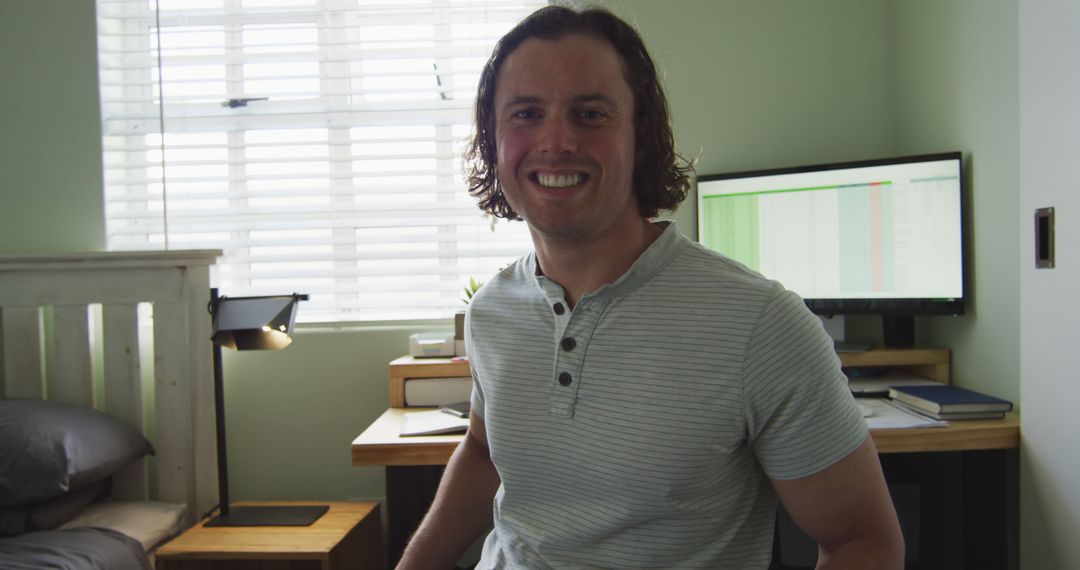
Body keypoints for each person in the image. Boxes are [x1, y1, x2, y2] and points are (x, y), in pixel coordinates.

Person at [397, 6, 905, 569]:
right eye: (525, 113)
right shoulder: (493, 311)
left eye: (590, 113)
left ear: (640, 135)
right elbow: (487, 450)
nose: (556, 140)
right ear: (494, 141)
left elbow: (863, 542)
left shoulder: (761, 326)